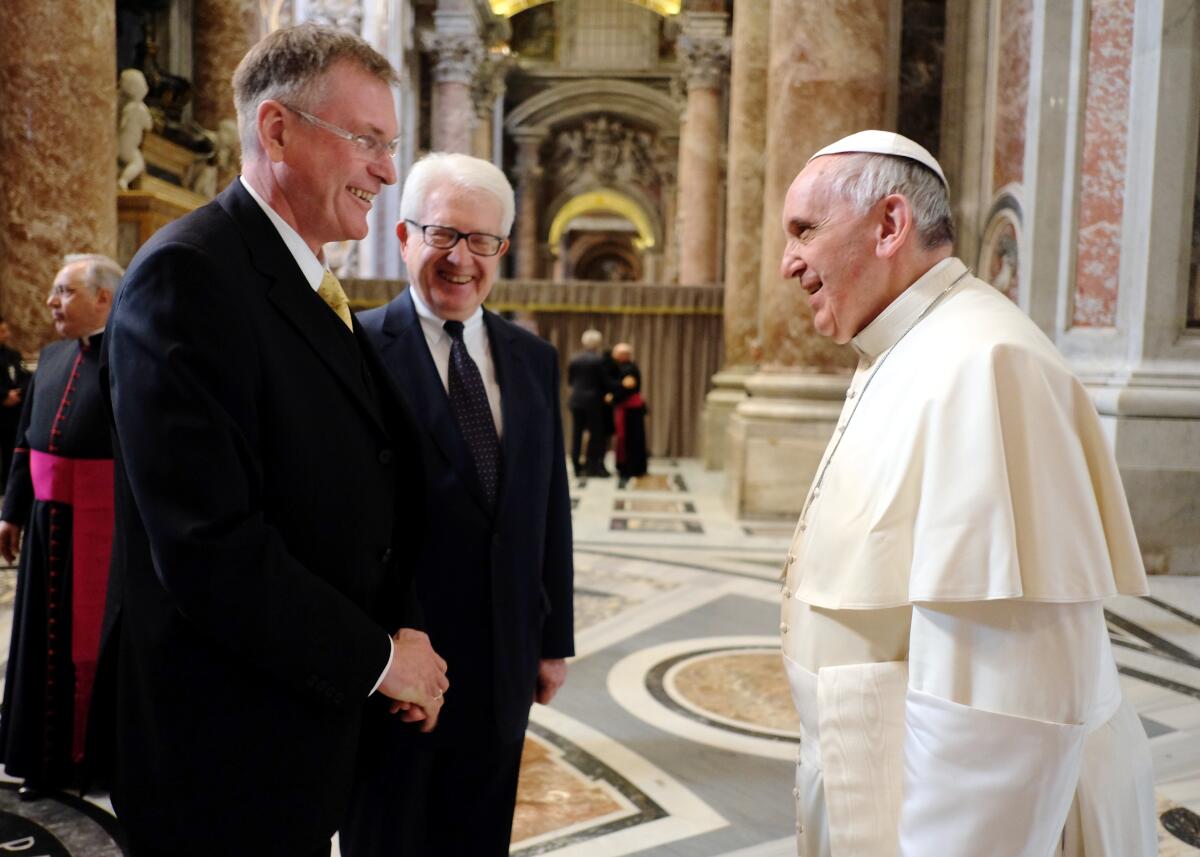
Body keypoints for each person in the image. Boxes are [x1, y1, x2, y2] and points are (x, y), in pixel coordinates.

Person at [102, 24, 448, 857]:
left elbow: (366, 474)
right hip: (217, 748)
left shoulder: (304, 275)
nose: (388, 171)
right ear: (277, 130)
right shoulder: (189, 274)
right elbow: (207, 546)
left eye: (391, 145)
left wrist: (404, 631)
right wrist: (377, 657)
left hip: (298, 722)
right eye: (366, 140)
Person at [777, 130, 1155, 856]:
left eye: (804, 231)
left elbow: (1001, 712)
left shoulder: (984, 363)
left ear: (890, 226)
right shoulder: (909, 344)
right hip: (874, 778)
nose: (788, 262)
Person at [346, 152, 575, 857]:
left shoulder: (531, 358)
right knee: (390, 833)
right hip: (399, 660)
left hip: (504, 657)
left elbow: (548, 507)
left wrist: (552, 637)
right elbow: (344, 516)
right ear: (404, 236)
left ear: (502, 250)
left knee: (479, 833)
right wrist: (378, 647)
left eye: (481, 241)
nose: (460, 259)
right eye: (442, 235)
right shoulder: (354, 346)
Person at [0, 255, 120, 799]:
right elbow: (25, 443)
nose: (52, 302)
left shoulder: (129, 358)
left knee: (90, 648)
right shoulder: (48, 359)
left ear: (103, 298)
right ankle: (38, 760)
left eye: (65, 292)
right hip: (48, 525)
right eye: (52, 291)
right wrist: (11, 510)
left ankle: (89, 763)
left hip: (103, 532)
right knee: (38, 646)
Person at [567, 328, 611, 477]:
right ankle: (593, 466)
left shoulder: (575, 359)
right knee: (596, 435)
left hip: (576, 400)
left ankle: (576, 466)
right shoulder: (599, 361)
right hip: (594, 402)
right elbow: (605, 382)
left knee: (576, 434)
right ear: (598, 343)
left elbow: (571, 381)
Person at [610, 342, 647, 485]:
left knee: (629, 439)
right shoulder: (625, 368)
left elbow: (627, 389)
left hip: (630, 409)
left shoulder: (629, 369)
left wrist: (612, 397)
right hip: (628, 408)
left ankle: (630, 468)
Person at [0, 317, 30, 486]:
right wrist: (4, 396)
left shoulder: (13, 354)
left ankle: (8, 483)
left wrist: (18, 393)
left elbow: (25, 376)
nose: (6, 335)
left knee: (11, 449)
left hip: (13, 414)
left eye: (6, 331)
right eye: (2, 331)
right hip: (1, 406)